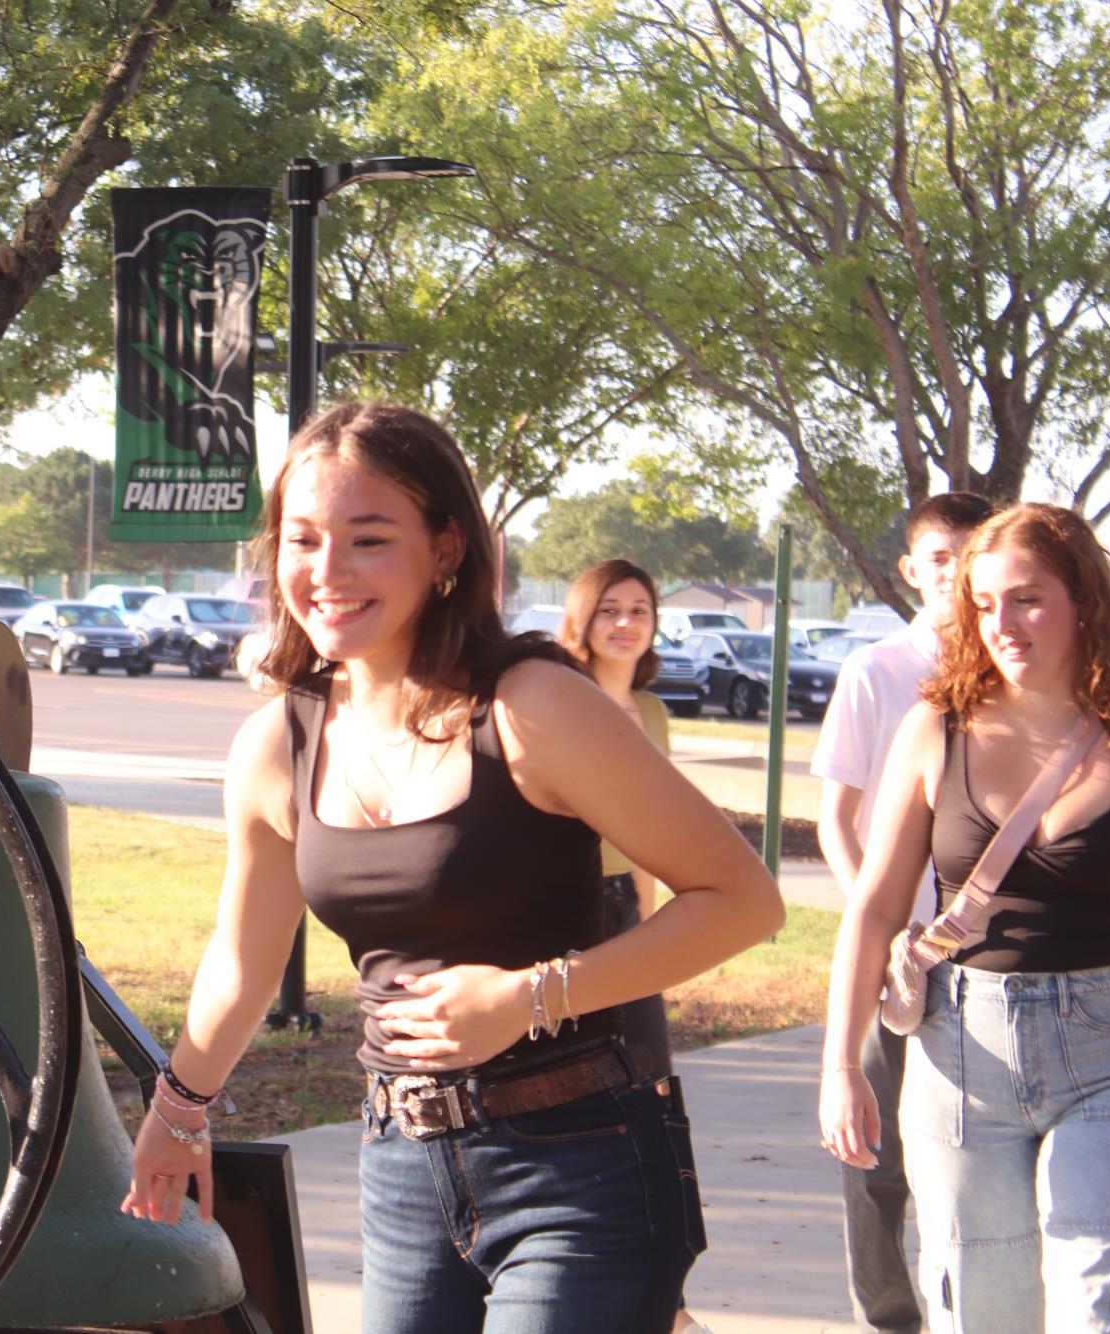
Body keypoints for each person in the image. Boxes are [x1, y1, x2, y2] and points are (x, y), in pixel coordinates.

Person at [120, 402, 784, 1333]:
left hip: (581, 1166)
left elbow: (742, 900)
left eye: (367, 539)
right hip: (401, 1167)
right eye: (302, 540)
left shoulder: (533, 706)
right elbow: (242, 955)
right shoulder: (278, 742)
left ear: (445, 551)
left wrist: (532, 996)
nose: (327, 573)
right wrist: (177, 1108)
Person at [819, 503, 1110, 1333]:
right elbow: (874, 910)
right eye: (982, 604)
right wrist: (839, 1065)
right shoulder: (930, 732)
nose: (1001, 624)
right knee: (981, 1309)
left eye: (1025, 598)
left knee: (1109, 1305)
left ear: (1083, 599)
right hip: (959, 1049)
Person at [810, 492, 992, 1334]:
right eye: (940, 559)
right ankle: (887, 1318)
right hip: (895, 959)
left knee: (977, 1157)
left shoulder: (1013, 671)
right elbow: (833, 820)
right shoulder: (875, 671)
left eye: (973, 555)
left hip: (993, 962)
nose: (956, 574)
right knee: (873, 1160)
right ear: (910, 571)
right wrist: (874, 927)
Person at [558, 559, 711, 1334]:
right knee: (578, 1095)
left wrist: (657, 931)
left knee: (651, 1091)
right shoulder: (556, 700)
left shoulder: (649, 712)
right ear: (580, 618)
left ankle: (667, 1300)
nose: (624, 623)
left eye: (639, 610)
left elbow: (653, 834)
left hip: (626, 911)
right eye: (608, 609)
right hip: (556, 914)